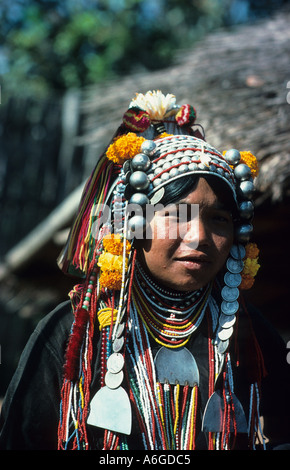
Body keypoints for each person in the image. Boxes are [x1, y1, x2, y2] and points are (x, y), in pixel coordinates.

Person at [0, 90, 289, 451]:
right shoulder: (75, 332)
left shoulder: (253, 338)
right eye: (176, 215)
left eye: (219, 220)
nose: (199, 237)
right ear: (133, 224)